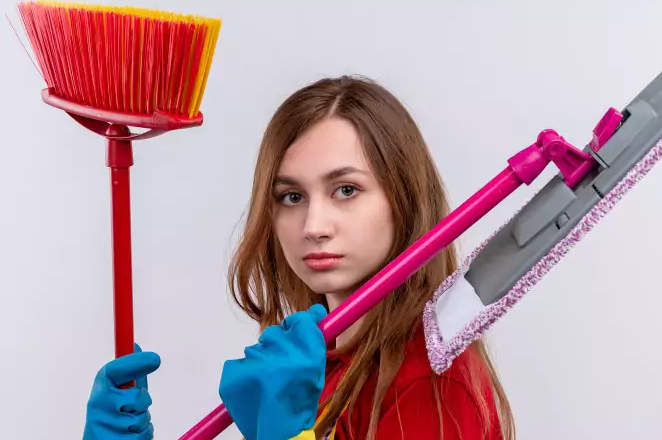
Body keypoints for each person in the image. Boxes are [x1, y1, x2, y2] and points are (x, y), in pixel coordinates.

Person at [82, 75, 515, 440]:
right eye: (292, 196)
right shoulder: (318, 370)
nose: (313, 226)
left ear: (404, 200)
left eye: (346, 190)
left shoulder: (429, 381)